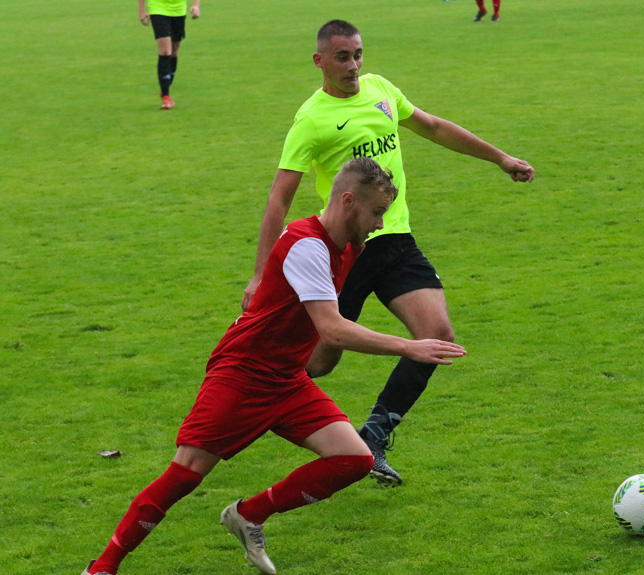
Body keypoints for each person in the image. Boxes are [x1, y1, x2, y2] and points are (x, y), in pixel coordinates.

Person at [80, 158, 466, 575]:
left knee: (354, 459)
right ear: (348, 201)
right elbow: (333, 329)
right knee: (186, 474)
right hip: (243, 373)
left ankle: (248, 514)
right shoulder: (306, 243)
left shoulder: (350, 248)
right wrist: (409, 346)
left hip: (286, 379)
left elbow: (327, 324)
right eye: (376, 212)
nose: (379, 223)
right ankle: (102, 567)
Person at [242, 19, 534, 487]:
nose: (354, 65)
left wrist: (500, 158)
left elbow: (434, 127)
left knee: (435, 336)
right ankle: (243, 398)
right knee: (317, 362)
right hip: (348, 249)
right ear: (320, 61)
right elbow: (279, 197)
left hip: (395, 239)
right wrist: (259, 274)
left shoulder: (379, 89)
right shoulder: (311, 119)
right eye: (342, 57)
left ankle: (374, 436)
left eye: (358, 54)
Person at [137, 0, 201, 109]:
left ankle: (164, 88)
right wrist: (142, 11)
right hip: (158, 8)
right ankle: (166, 97)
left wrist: (196, 6)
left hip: (178, 10)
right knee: (165, 51)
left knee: (174, 51)